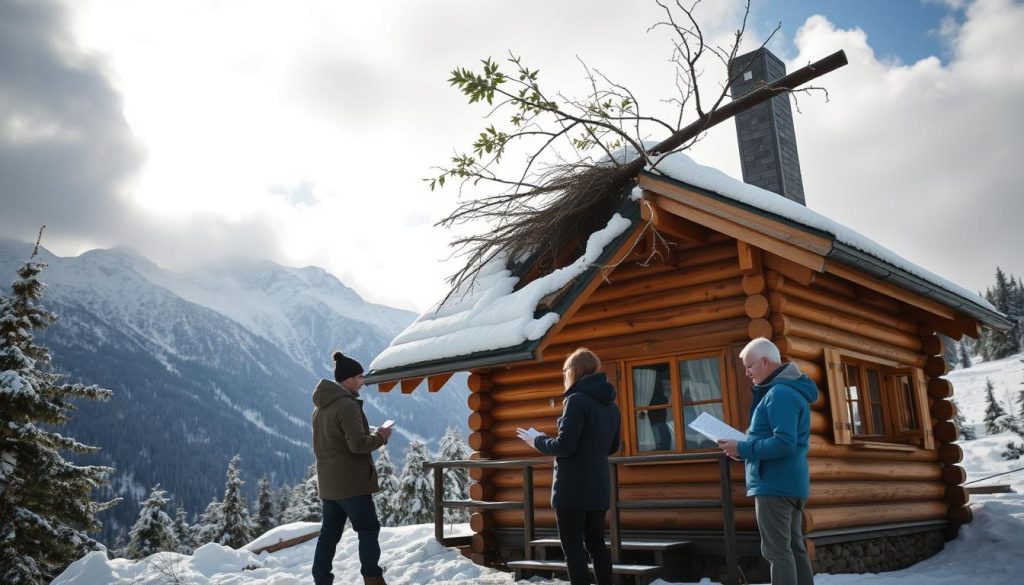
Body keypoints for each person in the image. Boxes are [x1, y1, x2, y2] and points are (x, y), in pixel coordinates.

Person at [717, 337, 817, 585]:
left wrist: (743, 446)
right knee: (793, 549)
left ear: (765, 361)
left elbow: (784, 443)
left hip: (774, 483)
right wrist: (743, 450)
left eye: (749, 366)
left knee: (777, 552)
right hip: (788, 481)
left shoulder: (779, 394)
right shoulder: (787, 390)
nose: (747, 373)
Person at [517, 347, 621, 585]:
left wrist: (537, 440)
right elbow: (613, 447)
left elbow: (564, 446)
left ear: (573, 371)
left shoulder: (576, 400)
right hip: (598, 487)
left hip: (572, 489)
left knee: (573, 548)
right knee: (597, 545)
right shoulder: (611, 407)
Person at [311, 351, 393, 585]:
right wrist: (381, 436)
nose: (362, 381)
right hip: (352, 484)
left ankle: (321, 580)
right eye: (359, 377)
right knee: (368, 529)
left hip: (329, 485)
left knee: (328, 536)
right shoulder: (346, 406)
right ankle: (373, 578)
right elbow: (357, 445)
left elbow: (331, 443)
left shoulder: (320, 408)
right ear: (347, 379)